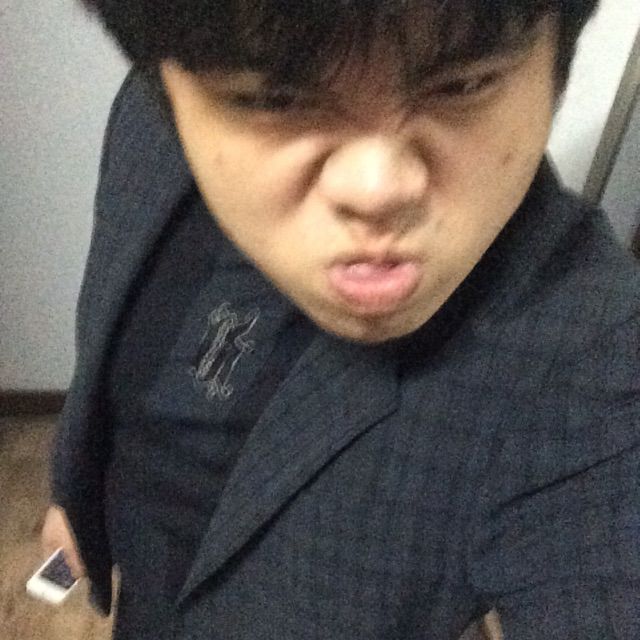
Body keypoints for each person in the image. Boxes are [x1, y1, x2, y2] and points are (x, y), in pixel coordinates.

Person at [41, 0, 640, 638]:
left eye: (462, 85)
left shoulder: (594, 361)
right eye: (272, 98)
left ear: (554, 70)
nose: (375, 189)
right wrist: (74, 490)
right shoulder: (155, 109)